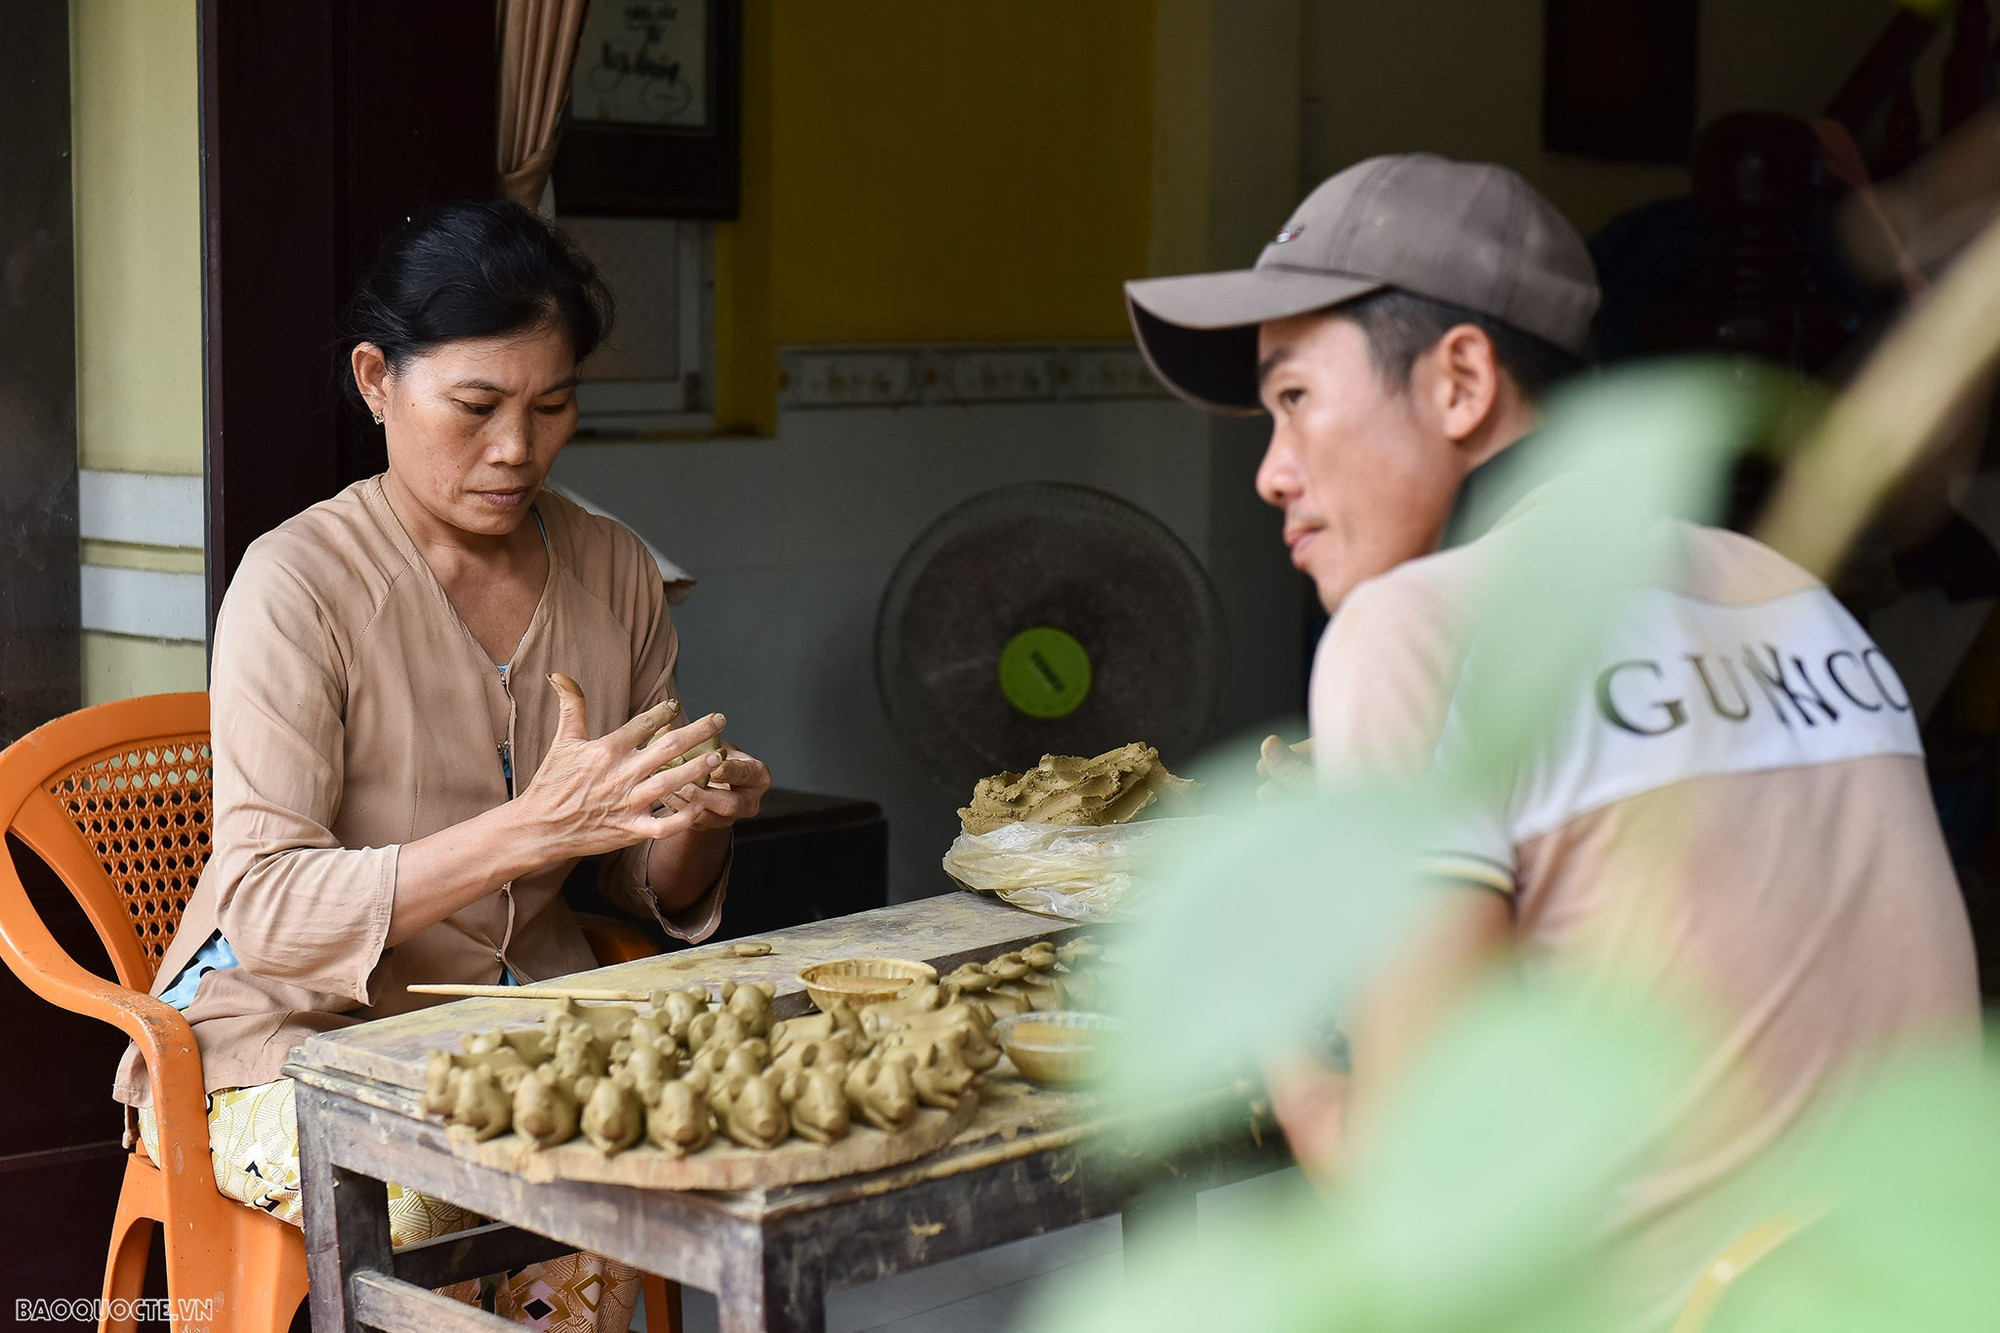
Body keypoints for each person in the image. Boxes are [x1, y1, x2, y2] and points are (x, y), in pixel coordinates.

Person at [1125, 154, 1980, 1325]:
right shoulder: (1783, 587)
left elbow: (1425, 1196)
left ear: (1460, 380)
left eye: (1292, 400)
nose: (1272, 474)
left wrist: (1268, 1021)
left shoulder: (1415, 630)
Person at [112, 200, 771, 1330]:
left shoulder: (612, 569)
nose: (516, 448)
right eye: (476, 407)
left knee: (668, 1142)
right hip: (283, 1040)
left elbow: (635, 881)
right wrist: (535, 829)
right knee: (450, 1179)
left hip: (517, 1019)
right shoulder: (299, 584)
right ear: (376, 379)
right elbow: (265, 908)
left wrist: (693, 819)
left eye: (551, 405)